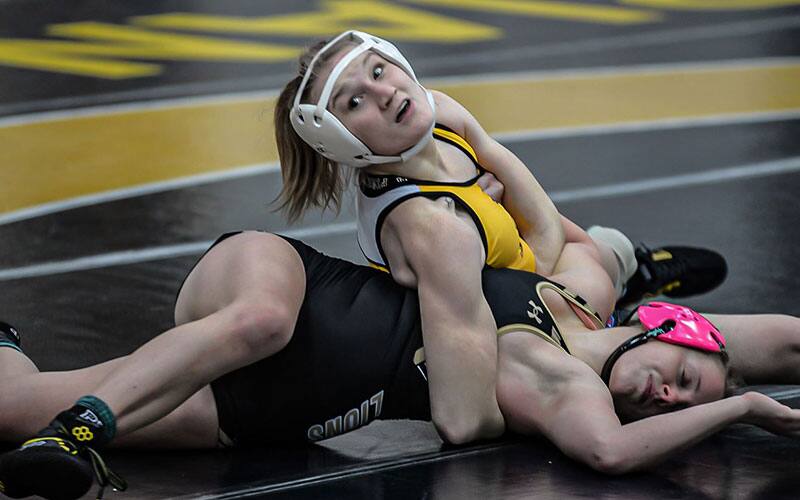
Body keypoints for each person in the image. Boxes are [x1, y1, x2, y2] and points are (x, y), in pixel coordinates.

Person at [0, 232, 798, 499]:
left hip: (263, 411)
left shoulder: (559, 384)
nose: (662, 394)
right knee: (262, 322)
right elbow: (788, 341)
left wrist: (739, 409)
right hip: (286, 281)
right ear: (681, 330)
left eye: (667, 406)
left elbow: (610, 452)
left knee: (11, 407)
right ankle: (83, 429)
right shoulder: (577, 295)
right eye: (682, 380)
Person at [273, 29, 728, 324]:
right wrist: (567, 254)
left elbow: (533, 205)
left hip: (525, 260)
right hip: (502, 319)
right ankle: (625, 295)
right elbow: (526, 261)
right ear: (339, 140)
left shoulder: (439, 115)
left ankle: (632, 266)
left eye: (378, 70)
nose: (384, 92)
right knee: (593, 272)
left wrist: (553, 240)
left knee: (590, 253)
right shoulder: (420, 222)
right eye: (354, 102)